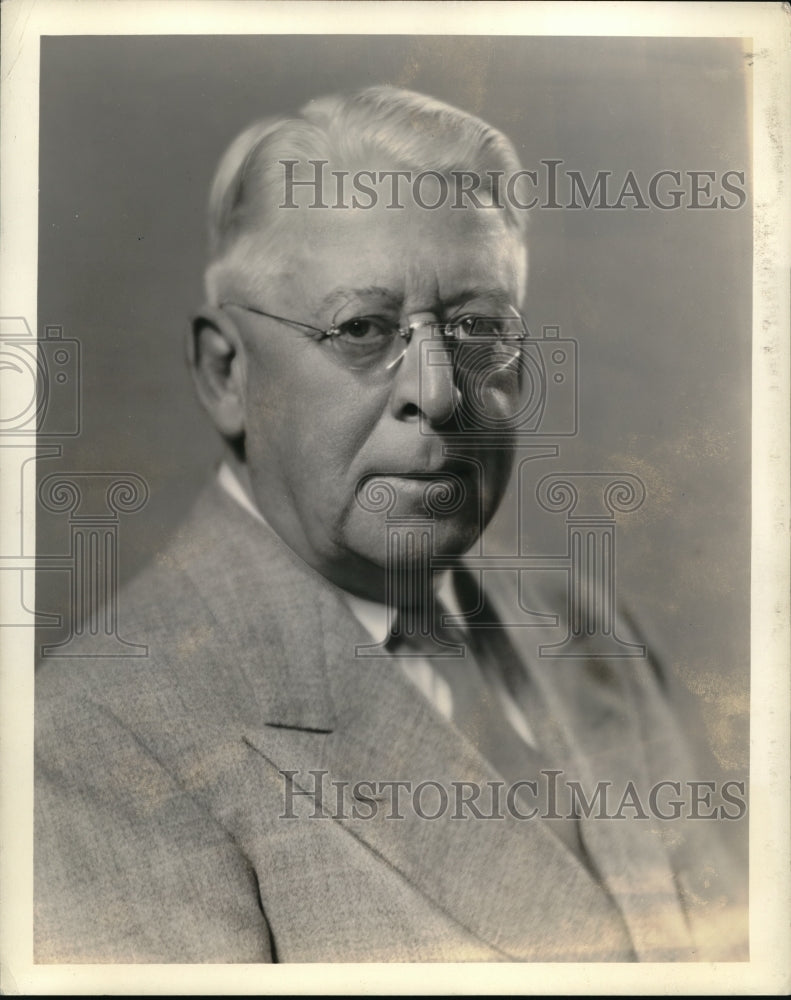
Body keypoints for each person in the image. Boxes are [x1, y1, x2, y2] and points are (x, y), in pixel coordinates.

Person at [34, 86, 747, 963]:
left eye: (479, 327)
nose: (440, 392)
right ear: (225, 371)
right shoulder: (91, 746)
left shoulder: (591, 635)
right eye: (362, 329)